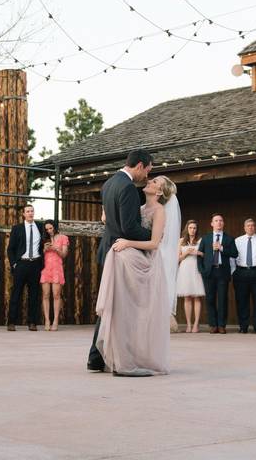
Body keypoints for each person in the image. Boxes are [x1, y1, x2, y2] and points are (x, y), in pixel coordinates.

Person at [95, 175, 177, 376]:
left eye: (155, 182)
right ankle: (122, 355)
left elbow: (154, 244)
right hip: (131, 261)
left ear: (159, 192)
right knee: (128, 313)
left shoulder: (159, 212)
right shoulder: (139, 208)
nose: (150, 181)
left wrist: (127, 243)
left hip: (147, 263)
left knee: (142, 315)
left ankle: (141, 358)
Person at [88, 149, 155, 372]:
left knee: (109, 304)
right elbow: (129, 227)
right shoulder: (128, 188)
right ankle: (116, 357)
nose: (147, 175)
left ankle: (95, 358)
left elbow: (110, 220)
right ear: (139, 166)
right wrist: (154, 235)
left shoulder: (109, 184)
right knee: (121, 307)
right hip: (121, 255)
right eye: (147, 170)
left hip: (108, 249)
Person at [7, 205, 46, 331]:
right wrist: (14, 264)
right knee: (16, 294)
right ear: (23, 214)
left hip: (35, 264)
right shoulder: (17, 228)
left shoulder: (40, 227)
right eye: (28, 211)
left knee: (34, 295)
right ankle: (11, 322)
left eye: (32, 211)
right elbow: (10, 249)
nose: (30, 213)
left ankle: (32, 322)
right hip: (21, 264)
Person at [199, 214, 238, 334]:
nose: (219, 222)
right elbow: (200, 256)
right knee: (210, 299)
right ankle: (212, 324)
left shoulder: (229, 239)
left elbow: (235, 254)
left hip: (222, 271)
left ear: (223, 223)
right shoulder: (205, 239)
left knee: (222, 299)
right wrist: (202, 270)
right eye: (216, 221)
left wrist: (221, 248)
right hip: (209, 272)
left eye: (221, 220)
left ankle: (221, 325)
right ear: (212, 223)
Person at [176, 219, 205, 333]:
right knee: (187, 297)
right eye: (190, 228)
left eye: (194, 228)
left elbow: (205, 254)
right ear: (187, 229)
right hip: (184, 269)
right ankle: (188, 324)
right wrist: (186, 253)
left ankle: (196, 325)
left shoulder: (201, 241)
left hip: (196, 269)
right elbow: (177, 259)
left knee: (197, 297)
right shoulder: (181, 241)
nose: (192, 230)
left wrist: (198, 253)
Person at [40, 220, 69, 332]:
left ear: (55, 227)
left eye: (50, 228)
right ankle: (47, 320)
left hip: (57, 269)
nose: (49, 231)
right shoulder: (44, 239)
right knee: (45, 295)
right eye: (47, 229)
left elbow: (64, 255)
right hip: (45, 268)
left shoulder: (63, 238)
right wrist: (45, 249)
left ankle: (55, 320)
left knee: (56, 295)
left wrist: (56, 249)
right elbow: (40, 254)